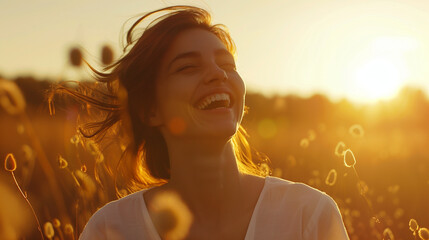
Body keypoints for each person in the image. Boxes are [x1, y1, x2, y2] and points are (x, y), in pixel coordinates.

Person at [71, 5, 349, 240]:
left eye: (227, 65)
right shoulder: (110, 229)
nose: (218, 74)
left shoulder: (308, 215)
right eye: (188, 67)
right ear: (149, 110)